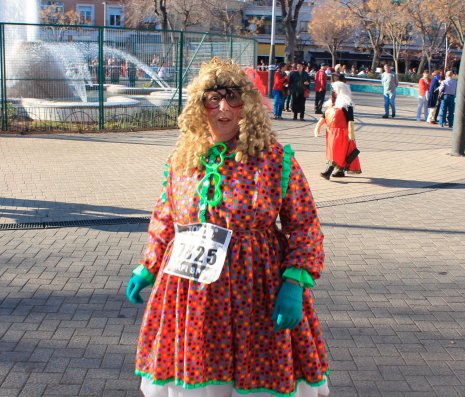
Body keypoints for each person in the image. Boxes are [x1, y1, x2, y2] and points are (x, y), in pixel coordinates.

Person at [126, 57, 330, 397]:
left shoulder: (275, 160)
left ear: (247, 104)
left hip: (256, 290)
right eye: (212, 98)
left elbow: (305, 223)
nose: (223, 108)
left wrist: (295, 282)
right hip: (190, 292)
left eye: (233, 97)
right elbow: (166, 214)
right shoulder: (182, 158)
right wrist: (148, 266)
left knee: (253, 374)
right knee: (198, 376)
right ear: (198, 105)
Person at [314, 81, 361, 179]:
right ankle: (340, 170)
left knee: (336, 151)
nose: (333, 92)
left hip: (342, 133)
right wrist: (318, 125)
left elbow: (350, 120)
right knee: (334, 151)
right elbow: (324, 115)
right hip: (331, 132)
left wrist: (351, 134)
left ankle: (328, 171)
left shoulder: (346, 104)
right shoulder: (331, 103)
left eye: (335, 90)